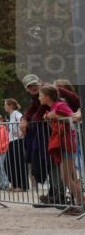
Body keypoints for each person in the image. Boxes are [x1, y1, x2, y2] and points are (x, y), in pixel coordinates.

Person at [40, 84, 83, 214]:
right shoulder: (54, 107)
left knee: (66, 177)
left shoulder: (59, 106)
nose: (39, 98)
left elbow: (73, 118)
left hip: (66, 143)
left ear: (47, 97)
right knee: (71, 177)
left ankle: (82, 204)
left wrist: (54, 116)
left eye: (40, 95)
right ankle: (79, 204)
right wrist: (49, 116)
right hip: (64, 143)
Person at [4, 98, 27, 191]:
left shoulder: (17, 114)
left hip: (18, 141)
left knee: (18, 163)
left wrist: (22, 133)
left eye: (5, 105)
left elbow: (23, 121)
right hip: (12, 141)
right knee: (10, 163)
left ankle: (21, 185)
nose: (4, 107)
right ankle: (14, 183)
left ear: (10, 106)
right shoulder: (11, 115)